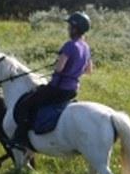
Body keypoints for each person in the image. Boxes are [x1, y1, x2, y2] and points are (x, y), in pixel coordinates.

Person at [10, 12, 93, 150]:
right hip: (72, 90)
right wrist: (74, 72)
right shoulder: (86, 47)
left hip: (58, 89)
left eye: (70, 26)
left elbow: (59, 68)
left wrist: (59, 66)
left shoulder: (70, 45)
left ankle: (20, 138)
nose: (68, 29)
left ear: (75, 28)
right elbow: (89, 70)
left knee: (27, 103)